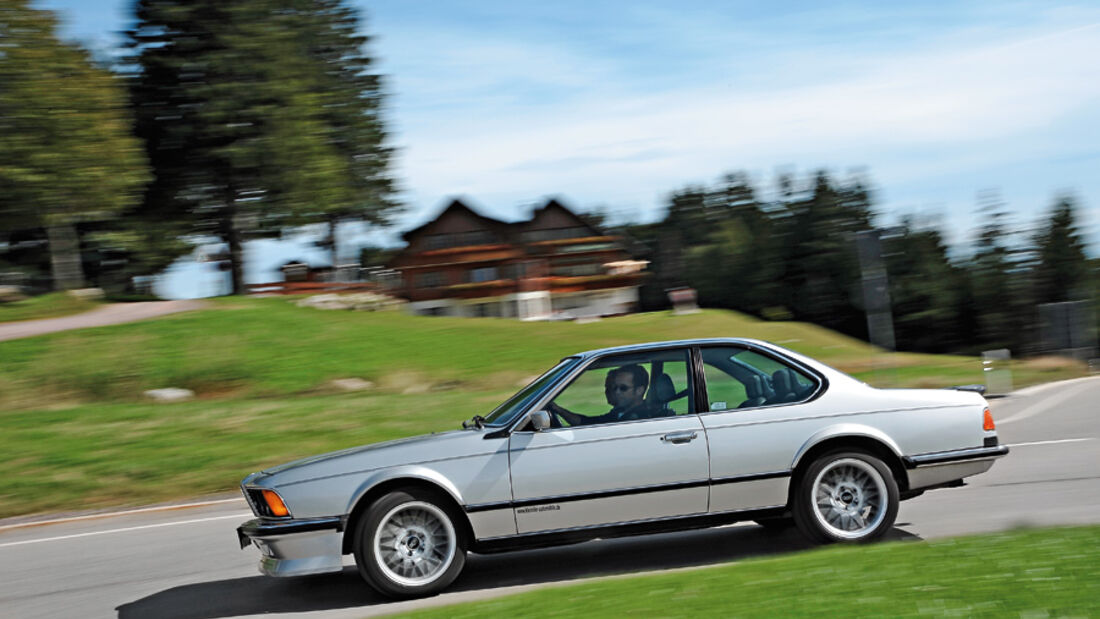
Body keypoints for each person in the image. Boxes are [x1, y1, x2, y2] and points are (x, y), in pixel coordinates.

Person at [548, 364, 655, 426]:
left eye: (623, 388)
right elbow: (587, 423)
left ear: (639, 390)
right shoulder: (619, 412)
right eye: (614, 387)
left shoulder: (639, 418)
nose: (616, 392)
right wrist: (558, 410)